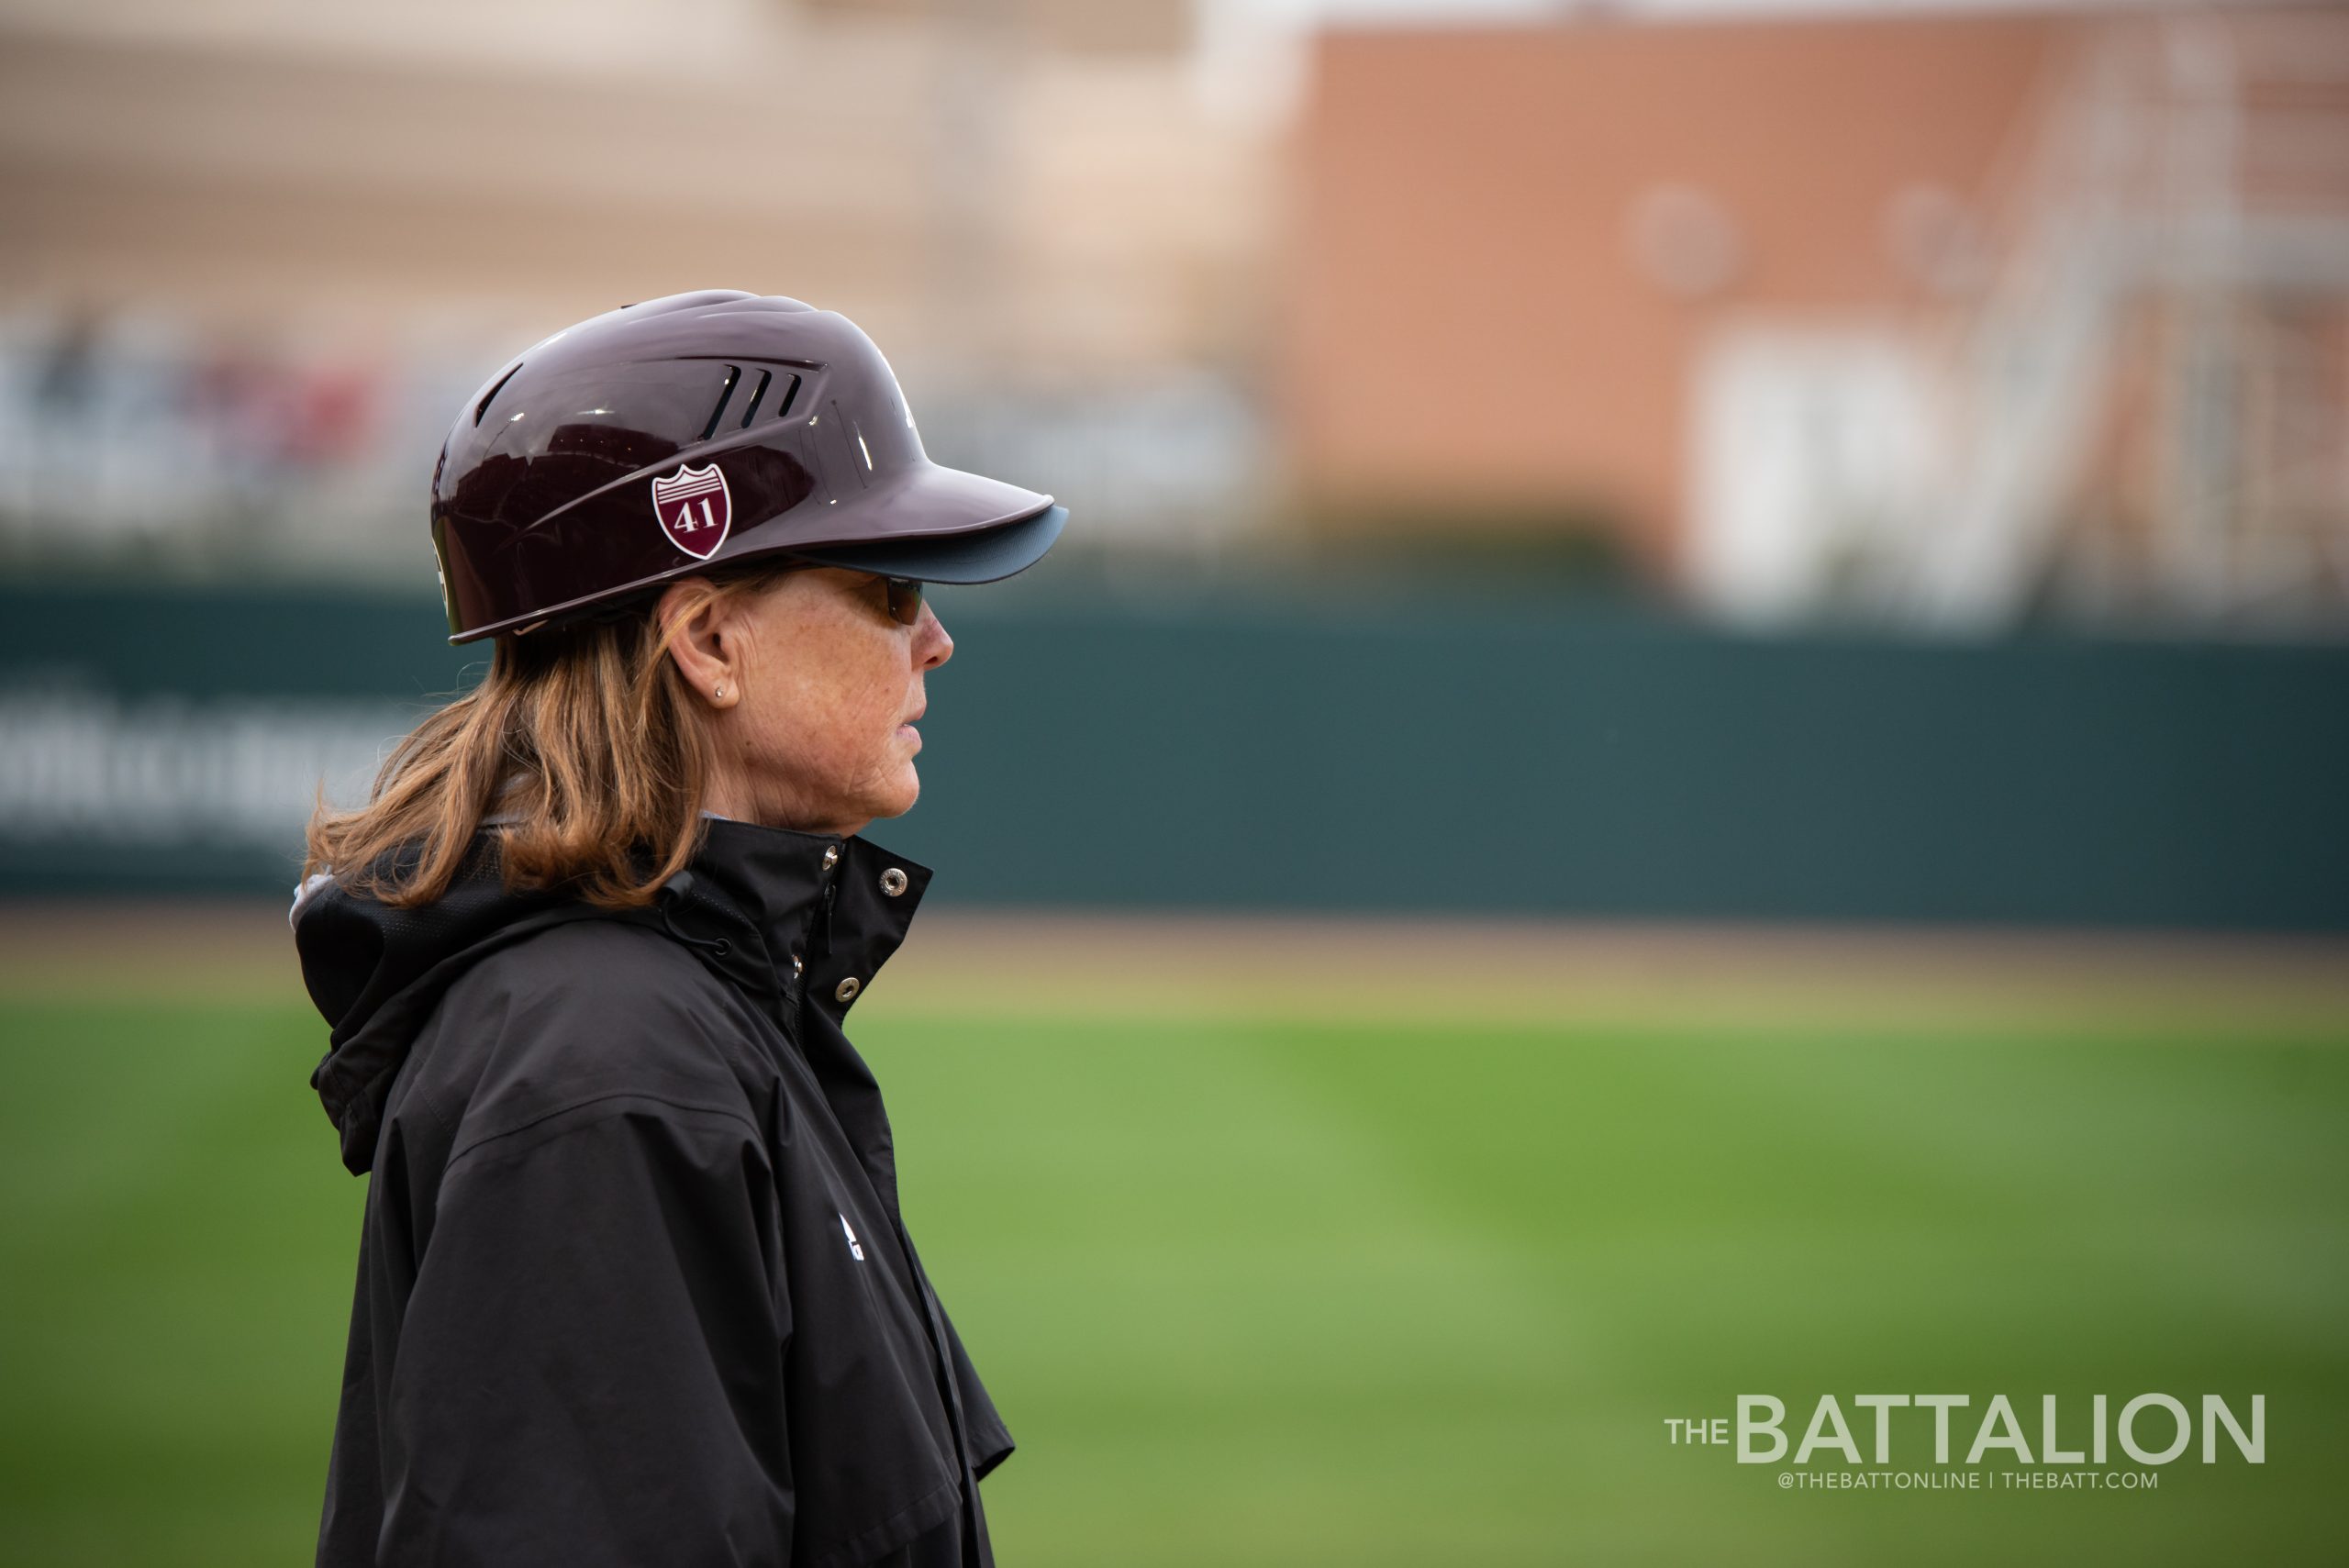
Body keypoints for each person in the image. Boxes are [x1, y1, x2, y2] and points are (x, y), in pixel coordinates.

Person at [292, 291, 1067, 1567]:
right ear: (708, 638)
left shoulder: (685, 999)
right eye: (885, 583)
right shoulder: (607, 1069)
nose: (934, 639)